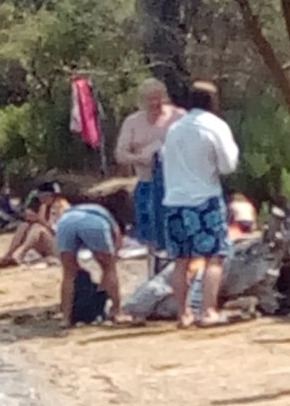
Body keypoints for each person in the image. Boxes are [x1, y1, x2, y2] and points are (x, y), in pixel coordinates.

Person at [161, 80, 240, 328]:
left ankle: (183, 314)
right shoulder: (215, 126)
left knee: (181, 260)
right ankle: (208, 311)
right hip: (204, 199)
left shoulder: (174, 128)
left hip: (174, 200)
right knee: (214, 257)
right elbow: (228, 165)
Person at [115, 79, 184, 259]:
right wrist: (140, 158)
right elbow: (120, 154)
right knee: (149, 236)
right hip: (146, 183)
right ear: (142, 101)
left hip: (175, 185)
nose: (154, 104)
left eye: (158, 99)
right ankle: (153, 263)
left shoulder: (178, 117)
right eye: (150, 100)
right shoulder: (132, 122)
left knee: (175, 232)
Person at [55, 198, 132, 327]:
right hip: (93, 223)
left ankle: (66, 318)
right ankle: (116, 312)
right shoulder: (109, 219)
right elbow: (117, 244)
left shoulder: (75, 210)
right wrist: (113, 255)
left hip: (65, 222)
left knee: (68, 273)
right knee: (109, 268)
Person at [0, 182, 69, 269]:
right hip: (51, 243)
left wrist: (39, 219)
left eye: (42, 196)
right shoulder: (46, 206)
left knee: (38, 229)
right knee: (24, 226)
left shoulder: (61, 208)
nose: (40, 199)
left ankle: (20, 254)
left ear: (50, 196)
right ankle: (9, 254)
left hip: (60, 246)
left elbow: (56, 231)